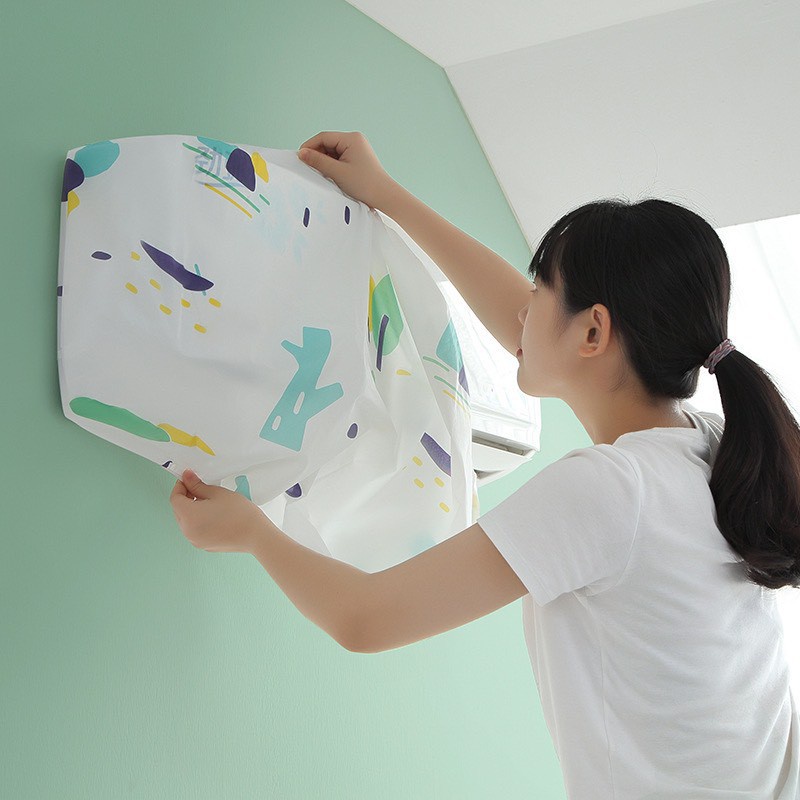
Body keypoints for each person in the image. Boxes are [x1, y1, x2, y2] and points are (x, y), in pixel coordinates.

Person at [294, 132, 800, 798]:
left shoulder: (612, 489)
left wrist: (246, 529)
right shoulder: (712, 447)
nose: (524, 308)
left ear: (593, 332)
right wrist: (385, 194)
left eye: (540, 289)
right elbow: (530, 329)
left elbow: (365, 618)